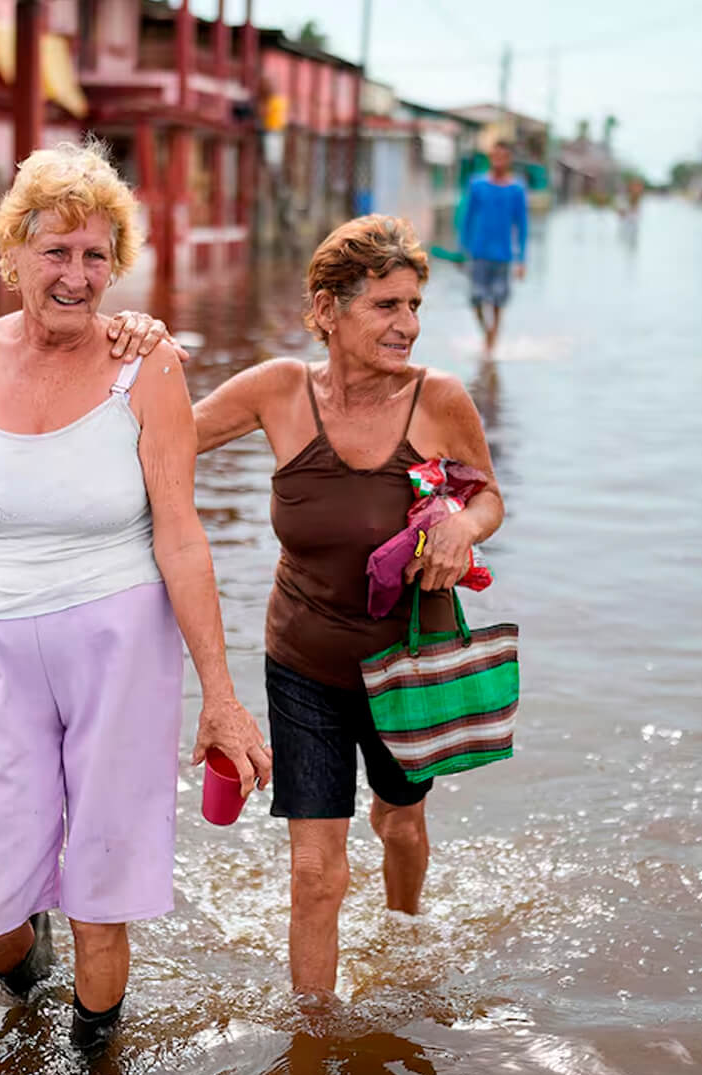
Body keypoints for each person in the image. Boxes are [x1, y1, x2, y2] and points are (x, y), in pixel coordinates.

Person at [0, 142, 272, 1056]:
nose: (77, 276)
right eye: (56, 252)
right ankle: (28, 987)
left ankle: (93, 1054)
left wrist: (224, 696)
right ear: (11, 255)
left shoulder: (147, 365)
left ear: (116, 266)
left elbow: (180, 535)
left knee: (103, 886)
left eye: (96, 256)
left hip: (121, 644)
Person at [191, 215, 504, 1000]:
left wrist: (463, 524)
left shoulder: (439, 399)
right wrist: (131, 346)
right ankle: (314, 1033)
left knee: (398, 821)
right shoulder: (277, 391)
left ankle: (405, 937)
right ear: (328, 309)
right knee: (312, 871)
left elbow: (491, 494)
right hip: (302, 662)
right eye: (386, 306)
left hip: (405, 663)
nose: (408, 325)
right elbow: (166, 437)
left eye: (414, 306)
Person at [459, 141, 530, 351]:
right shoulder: (477, 185)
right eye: (495, 155)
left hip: (503, 255)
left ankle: (491, 344)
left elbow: (522, 226)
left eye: (503, 156)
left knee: (499, 300)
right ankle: (486, 332)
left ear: (509, 160)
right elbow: (467, 218)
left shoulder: (516, 189)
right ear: (490, 157)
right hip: (478, 252)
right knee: (476, 299)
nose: (498, 160)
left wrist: (521, 260)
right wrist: (462, 250)